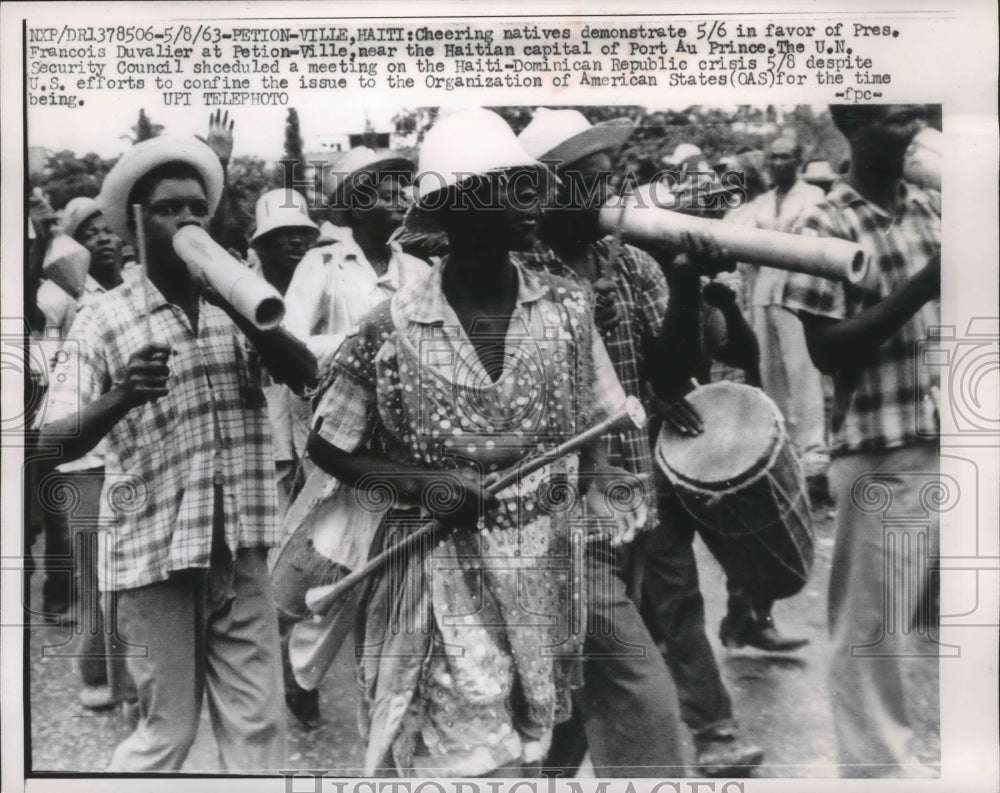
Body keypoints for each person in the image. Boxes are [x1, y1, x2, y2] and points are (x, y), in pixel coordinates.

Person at [305, 108, 645, 776]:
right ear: (456, 210)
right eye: (504, 189)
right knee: (469, 766)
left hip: (546, 580)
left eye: (528, 186)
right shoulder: (389, 329)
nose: (528, 204)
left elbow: (603, 422)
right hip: (439, 586)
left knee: (529, 750)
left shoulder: (569, 310)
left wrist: (604, 488)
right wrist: (421, 485)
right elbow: (328, 446)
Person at [40, 134, 318, 771]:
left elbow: (309, 377)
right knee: (167, 735)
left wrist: (240, 306)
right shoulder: (101, 319)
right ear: (135, 223)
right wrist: (117, 398)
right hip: (153, 557)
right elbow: (48, 443)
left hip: (240, 547)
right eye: (168, 209)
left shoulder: (237, 303)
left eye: (197, 208)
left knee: (258, 733)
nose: (188, 219)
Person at [517, 109, 763, 777]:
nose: (606, 192)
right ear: (545, 189)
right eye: (588, 181)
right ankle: (690, 741)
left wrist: (684, 282)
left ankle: (544, 772)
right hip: (560, 516)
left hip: (639, 499)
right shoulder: (513, 275)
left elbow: (671, 373)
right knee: (630, 680)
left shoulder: (628, 264)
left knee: (597, 675)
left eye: (609, 178)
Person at [783, 104, 941, 778]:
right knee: (873, 633)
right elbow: (827, 352)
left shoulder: (932, 206)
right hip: (883, 449)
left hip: (946, 435)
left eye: (916, 112)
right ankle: (878, 772)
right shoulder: (823, 222)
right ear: (855, 125)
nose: (911, 127)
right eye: (894, 116)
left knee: (931, 625)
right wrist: (922, 287)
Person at [273, 149, 429, 728]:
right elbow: (286, 338)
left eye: (402, 187)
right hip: (343, 435)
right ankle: (302, 669)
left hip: (406, 442)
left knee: (390, 563)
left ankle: (380, 696)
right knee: (337, 561)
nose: (400, 197)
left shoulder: (416, 268)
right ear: (358, 201)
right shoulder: (325, 263)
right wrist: (360, 350)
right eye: (385, 189)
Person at [710, 137, 822, 653]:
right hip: (740, 329)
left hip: (781, 315)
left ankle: (747, 616)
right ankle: (738, 619)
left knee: (801, 382)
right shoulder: (739, 217)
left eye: (784, 156)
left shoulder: (807, 205)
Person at [45, 196, 135, 710]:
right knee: (95, 568)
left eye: (108, 229)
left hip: (131, 449)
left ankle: (121, 673)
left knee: (130, 566)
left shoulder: (143, 284)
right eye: (88, 232)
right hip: (84, 454)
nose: (102, 238)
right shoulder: (63, 294)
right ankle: (97, 667)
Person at [248, 188, 319, 511]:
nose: (296, 242)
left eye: (303, 234)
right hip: (265, 424)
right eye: (283, 234)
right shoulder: (244, 289)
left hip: (316, 420)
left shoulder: (326, 279)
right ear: (261, 243)